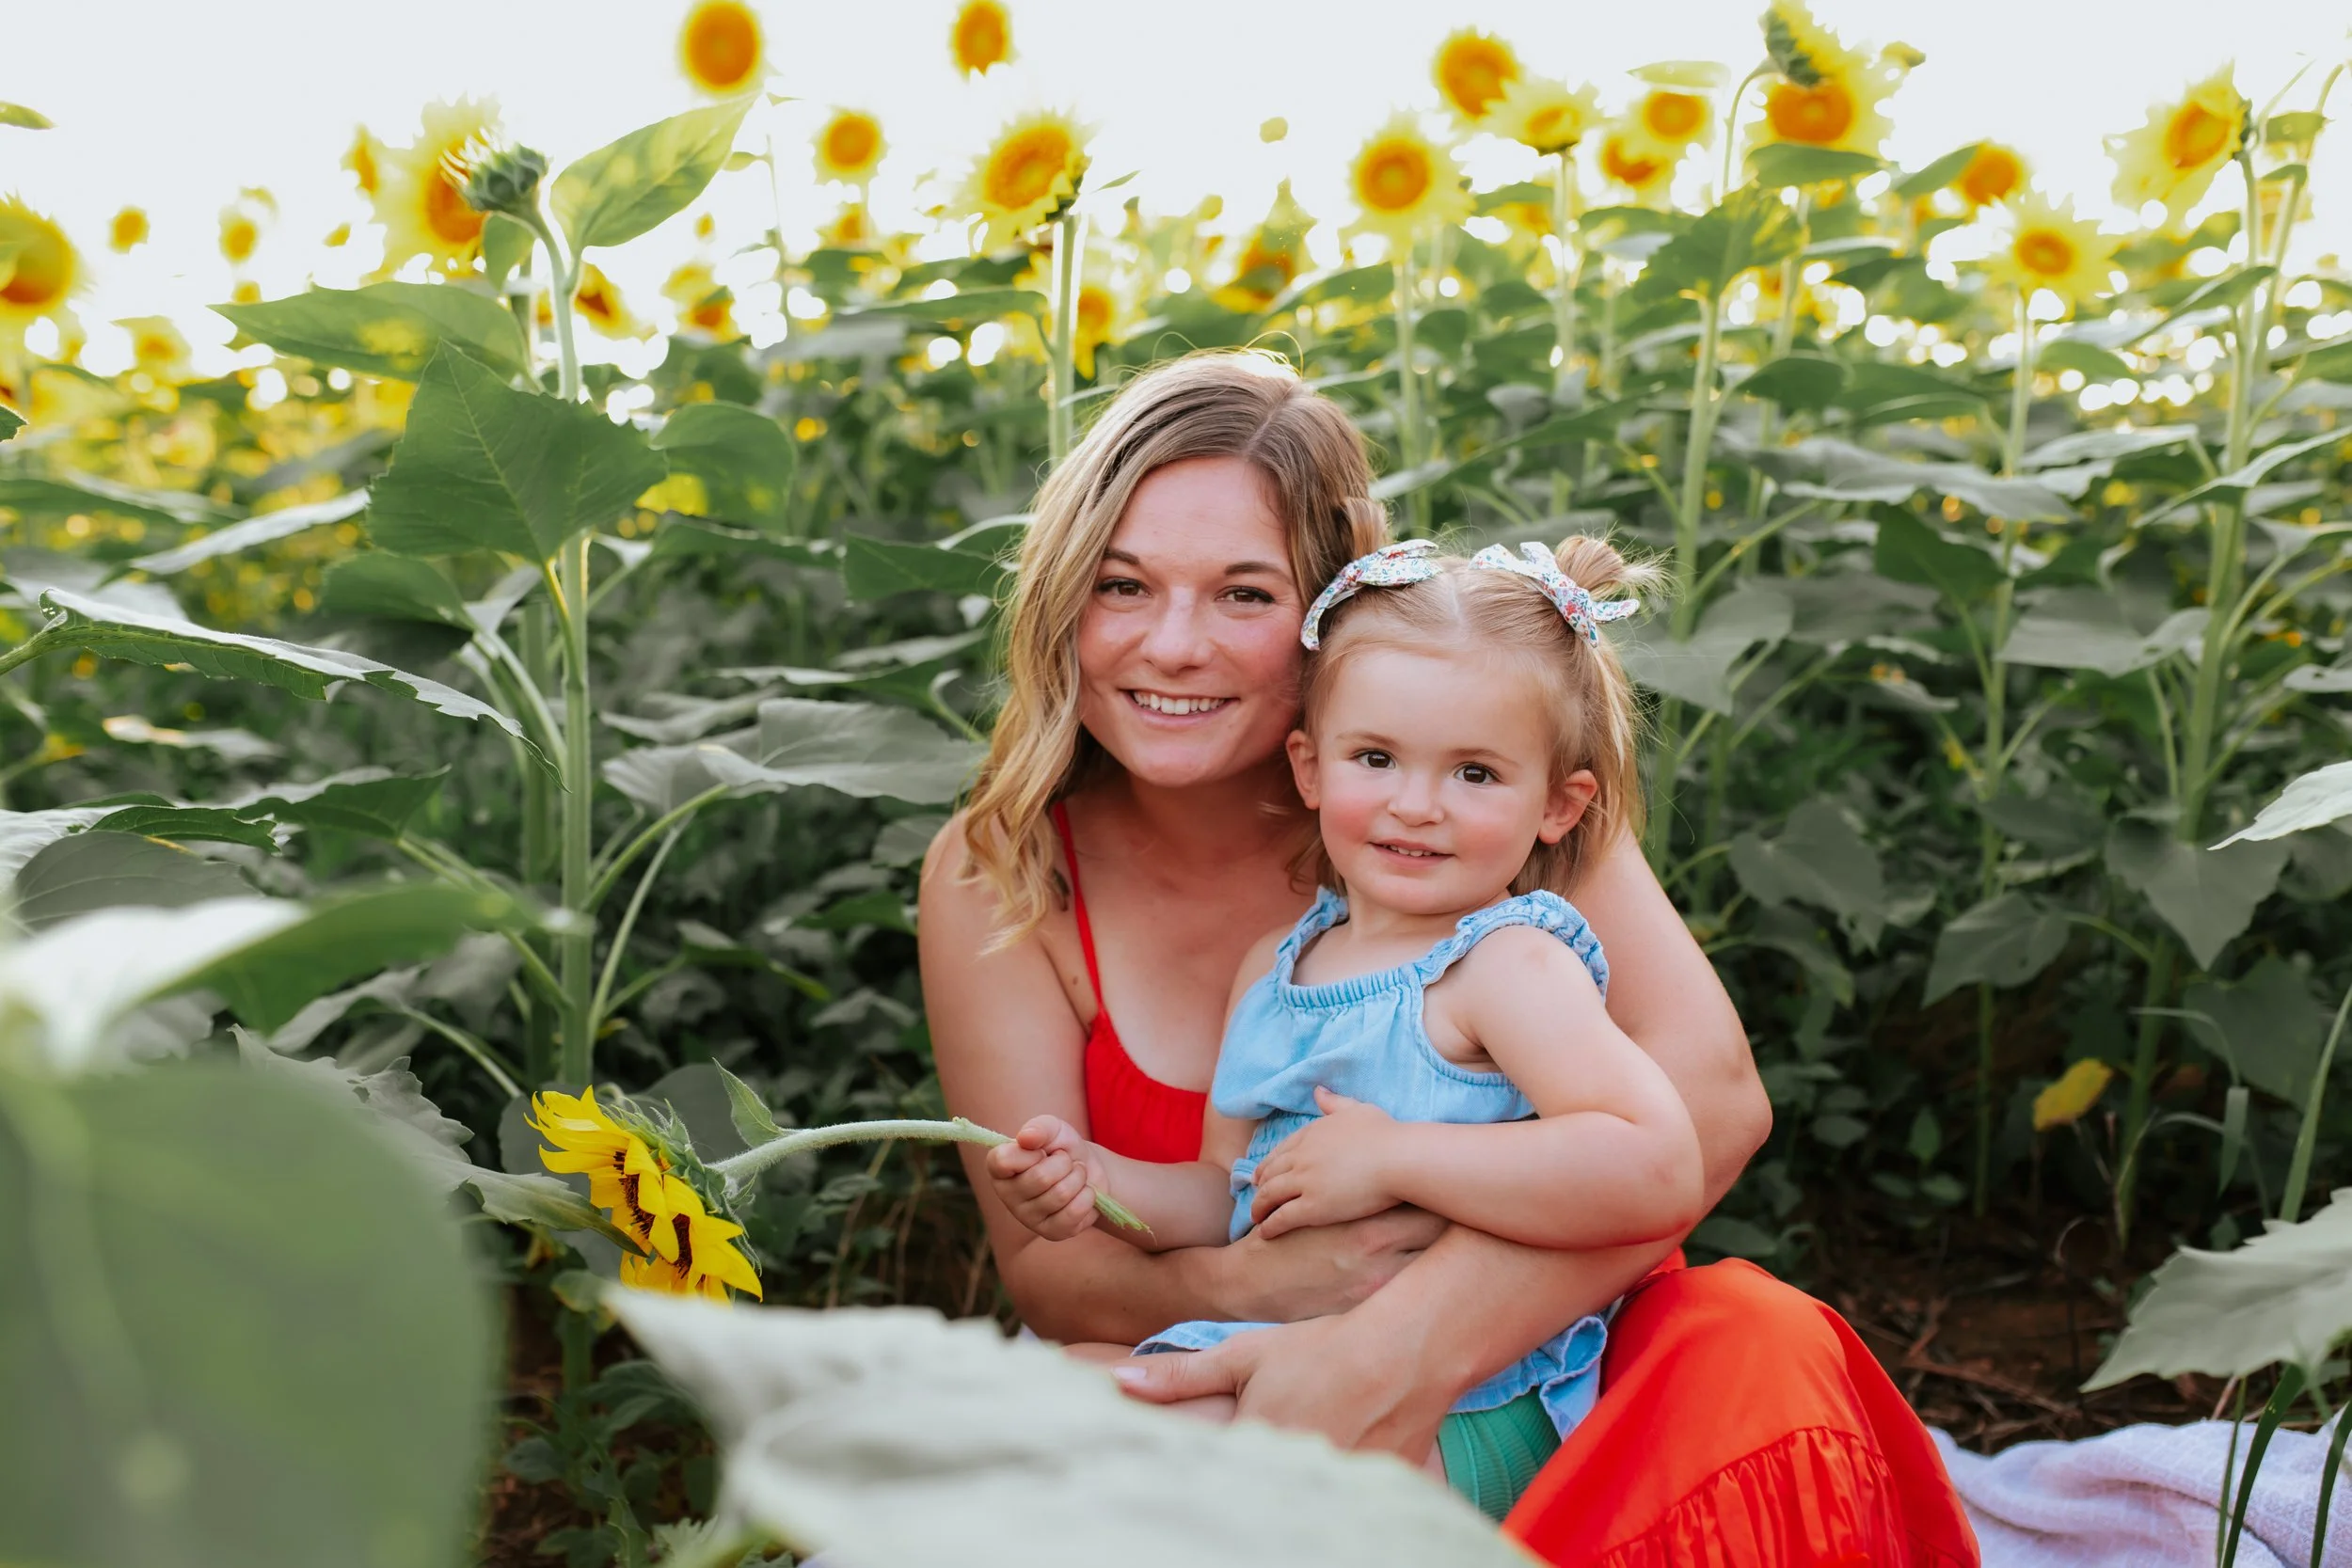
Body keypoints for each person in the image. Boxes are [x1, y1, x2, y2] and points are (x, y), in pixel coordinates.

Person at [919, 351, 1978, 1565]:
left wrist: (1396, 1347)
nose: (1173, 644)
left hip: (1529, 1382)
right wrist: (1283, 1295)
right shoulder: (1003, 868)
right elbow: (1063, 1275)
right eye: (1122, 583)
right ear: (1061, 594)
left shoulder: (1472, 770)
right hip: (1239, 1366)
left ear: (1335, 591)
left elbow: (1714, 1103)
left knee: (1753, 1339)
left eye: (1245, 594)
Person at [983, 531, 1706, 1519]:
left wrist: (1399, 1157)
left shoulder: (1504, 965)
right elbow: (1225, 1192)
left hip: (1464, 1399)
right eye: (1377, 757)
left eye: (1476, 774)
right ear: (1310, 766)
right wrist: (1100, 1182)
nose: (1418, 805)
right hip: (1268, 1356)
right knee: (1029, 1404)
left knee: (1147, 1473)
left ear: (1559, 804)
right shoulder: (1278, 971)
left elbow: (1654, 1161)